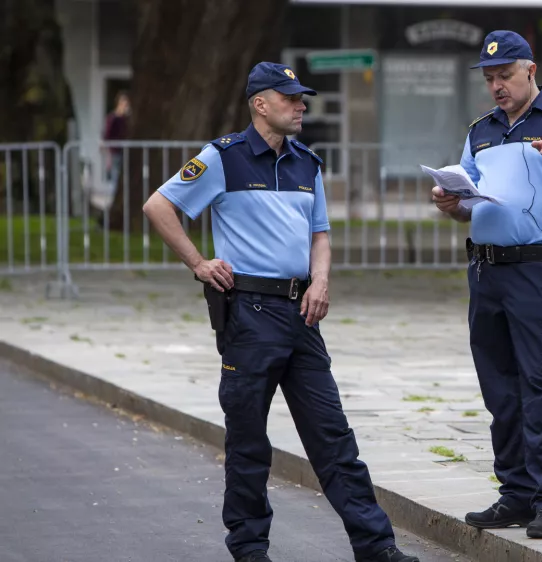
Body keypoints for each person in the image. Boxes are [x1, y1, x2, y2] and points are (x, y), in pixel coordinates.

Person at [142, 62, 419, 562]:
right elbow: (159, 206)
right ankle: (250, 550)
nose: (301, 105)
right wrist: (199, 263)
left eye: (302, 98)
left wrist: (322, 280)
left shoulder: (305, 163)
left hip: (302, 316)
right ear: (260, 104)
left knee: (334, 439)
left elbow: (320, 234)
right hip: (248, 313)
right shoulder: (222, 158)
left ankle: (377, 548)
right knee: (248, 442)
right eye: (290, 98)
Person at [431, 30, 542, 539]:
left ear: (530, 70)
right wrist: (450, 204)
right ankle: (516, 493)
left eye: (504, 75)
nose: (496, 87)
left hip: (538, 271)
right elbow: (465, 199)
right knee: (500, 388)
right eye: (489, 79)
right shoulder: (480, 131)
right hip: (486, 271)